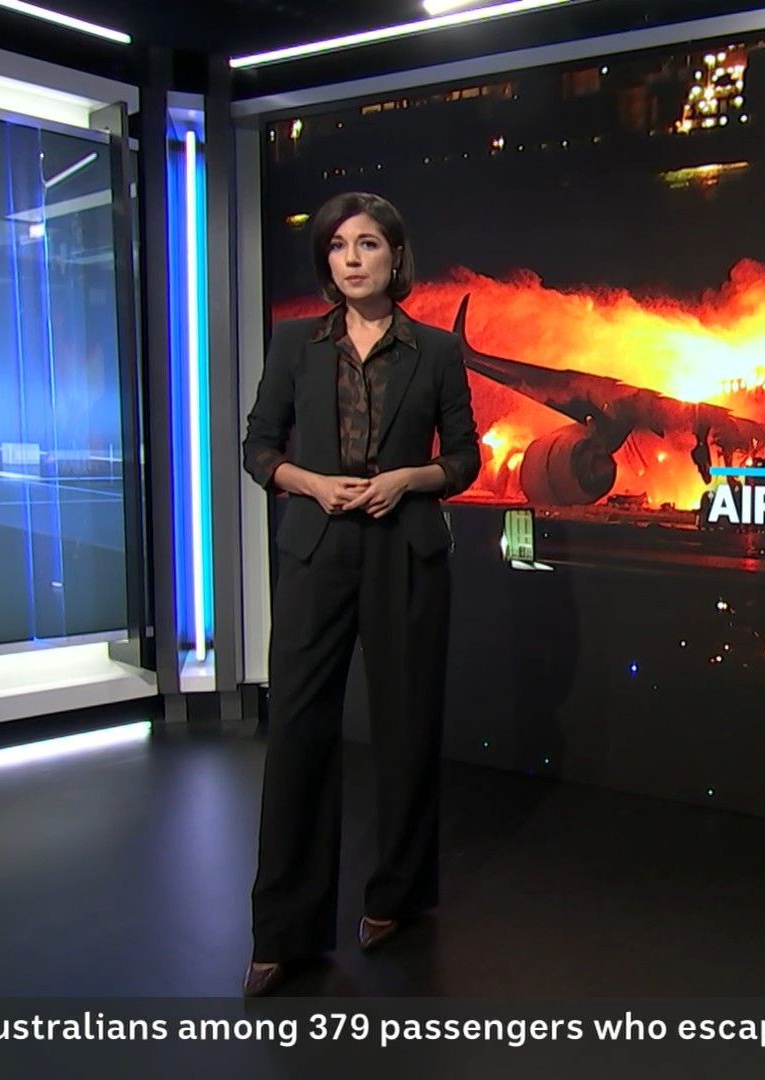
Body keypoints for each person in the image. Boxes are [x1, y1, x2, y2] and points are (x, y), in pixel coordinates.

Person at [239, 191, 480, 996]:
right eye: (338, 245)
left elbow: (466, 459)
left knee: (407, 728)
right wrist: (307, 482)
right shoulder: (294, 344)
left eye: (368, 243)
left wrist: (409, 479)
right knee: (298, 733)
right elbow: (258, 446)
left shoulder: (436, 351)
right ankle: (284, 931)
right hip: (316, 550)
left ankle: (397, 896)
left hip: (405, 548)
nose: (351, 257)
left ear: (395, 257)